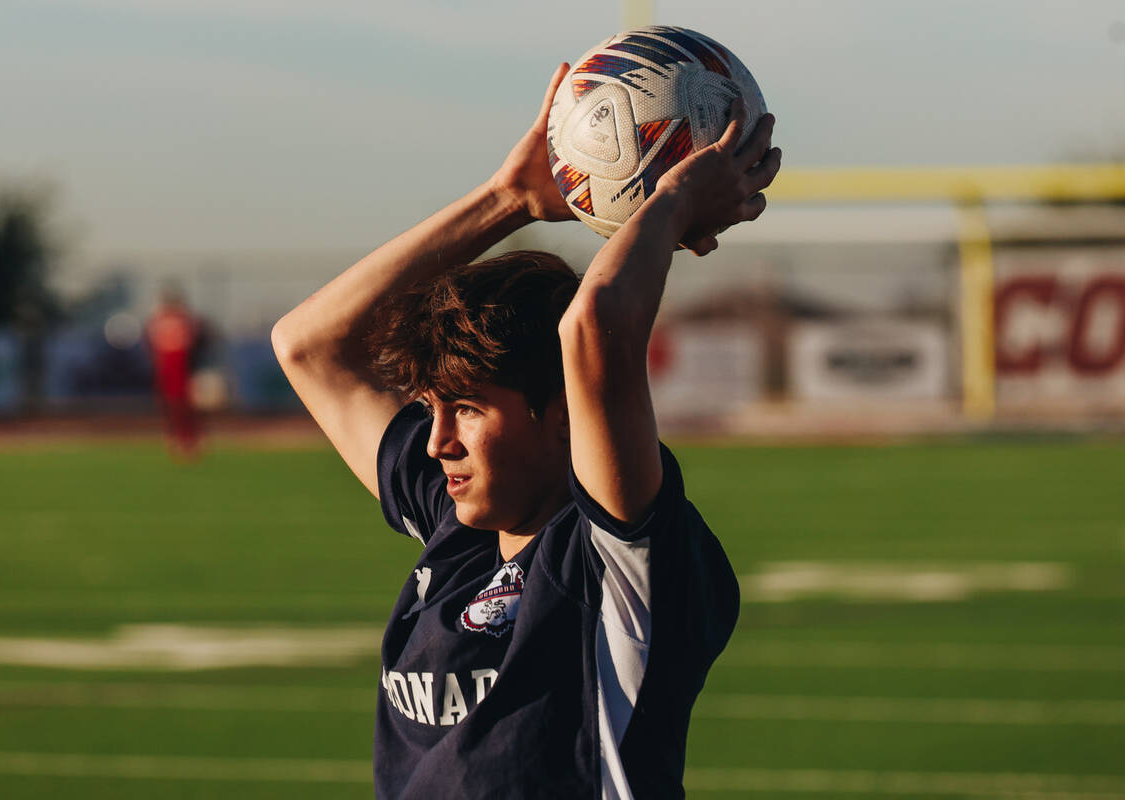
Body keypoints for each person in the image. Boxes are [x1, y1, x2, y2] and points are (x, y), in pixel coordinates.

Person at [272, 63, 780, 799]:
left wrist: (669, 203)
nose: (437, 440)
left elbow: (594, 326)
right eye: (433, 407)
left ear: (566, 414)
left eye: (470, 408)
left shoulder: (615, 557)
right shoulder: (459, 527)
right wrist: (506, 199)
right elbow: (308, 346)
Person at [146, 283, 204, 460]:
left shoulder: (182, 318)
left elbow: (193, 342)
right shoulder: (160, 317)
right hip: (166, 368)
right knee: (169, 405)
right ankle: (174, 439)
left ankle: (189, 439)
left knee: (184, 405)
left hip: (181, 367)